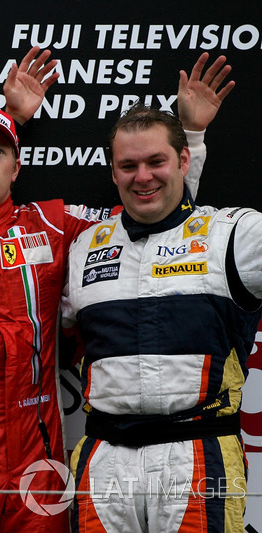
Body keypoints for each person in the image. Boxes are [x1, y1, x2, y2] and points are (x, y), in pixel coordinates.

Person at [0, 51, 233, 531]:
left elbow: (158, 213)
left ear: (17, 166)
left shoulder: (56, 224)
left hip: (38, 459)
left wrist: (191, 137)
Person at [60, 103, 261, 533]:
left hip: (197, 452)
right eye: (128, 165)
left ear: (183, 160)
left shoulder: (232, 235)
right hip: (104, 458)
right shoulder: (82, 249)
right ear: (113, 173)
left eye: (156, 161)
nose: (143, 176)